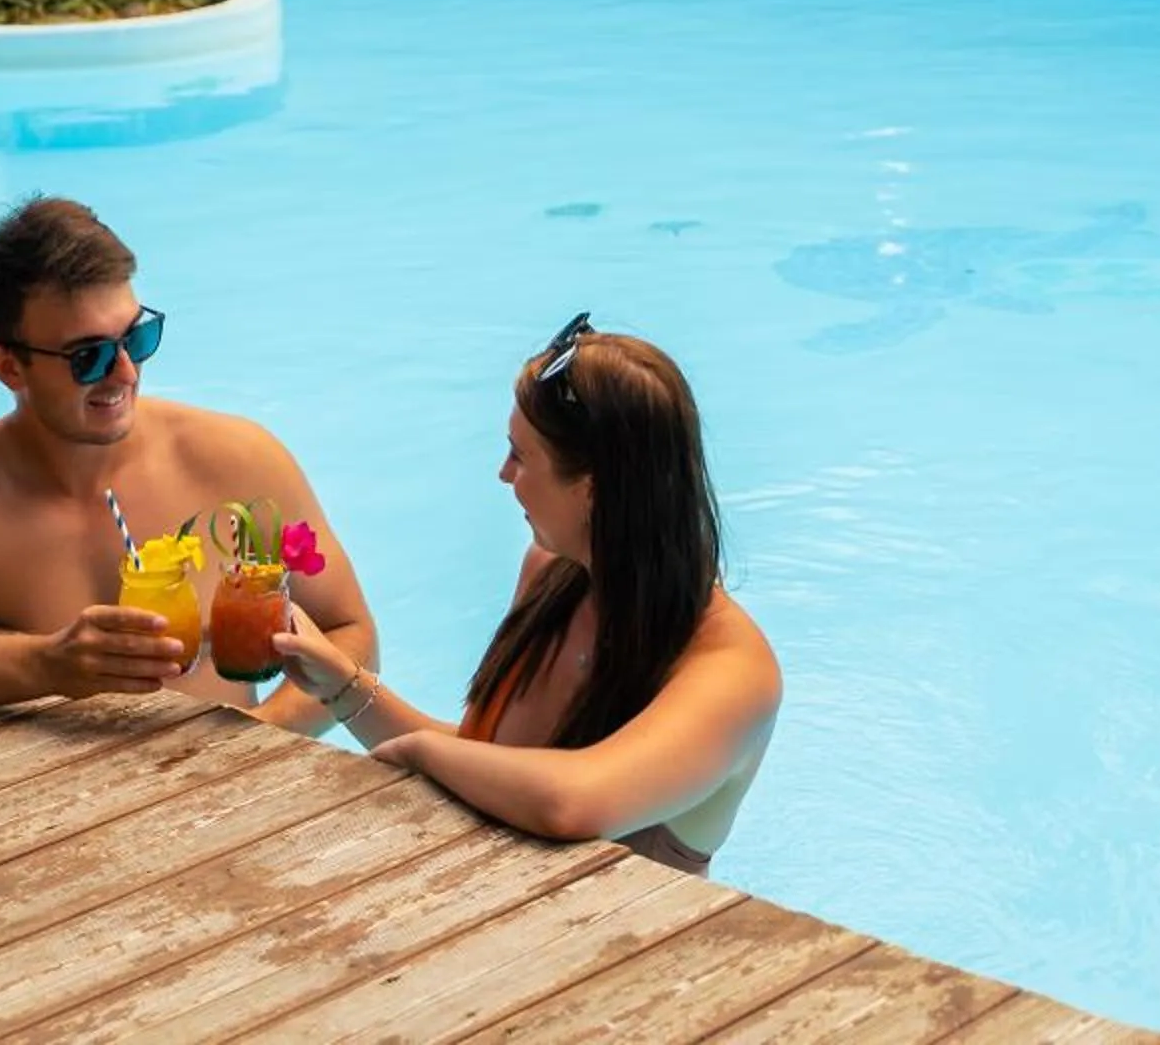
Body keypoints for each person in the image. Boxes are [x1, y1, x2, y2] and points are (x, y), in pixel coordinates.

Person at [0, 194, 375, 729]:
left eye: (137, 338)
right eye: (89, 356)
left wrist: (257, 741)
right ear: (8, 368)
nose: (125, 373)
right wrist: (47, 664)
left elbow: (353, 634)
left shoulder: (237, 462)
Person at [272, 313, 779, 868]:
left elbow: (573, 802)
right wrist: (342, 687)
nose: (504, 474)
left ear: (593, 489)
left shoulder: (733, 672)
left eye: (521, 455)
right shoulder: (552, 574)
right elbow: (488, 765)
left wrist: (422, 753)